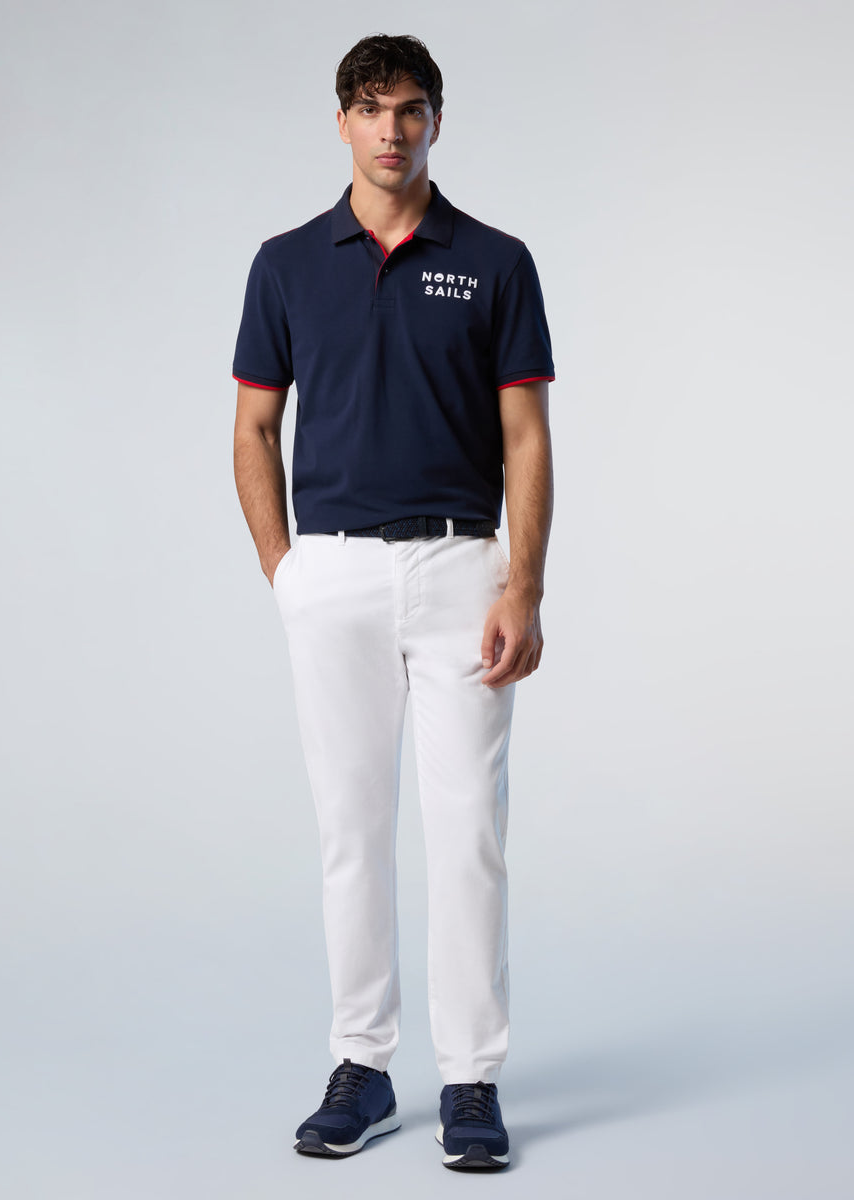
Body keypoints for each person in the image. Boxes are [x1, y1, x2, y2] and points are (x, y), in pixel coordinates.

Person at [232, 33, 554, 1171]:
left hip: (463, 573)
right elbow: (254, 426)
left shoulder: (497, 261)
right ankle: (363, 1067)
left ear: (435, 121)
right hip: (333, 576)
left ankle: (471, 1079)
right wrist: (287, 571)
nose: (391, 129)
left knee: (469, 833)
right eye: (371, 109)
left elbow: (527, 437)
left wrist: (523, 584)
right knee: (350, 830)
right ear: (341, 123)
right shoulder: (285, 264)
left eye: (410, 108)